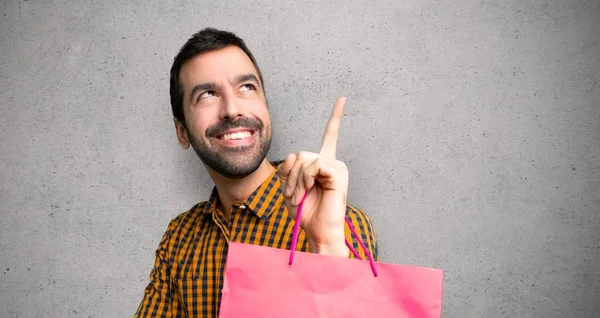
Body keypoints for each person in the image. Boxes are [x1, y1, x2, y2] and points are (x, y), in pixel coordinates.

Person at [134, 28, 378, 317]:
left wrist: (325, 246)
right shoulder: (179, 236)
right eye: (208, 94)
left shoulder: (341, 225)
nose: (232, 109)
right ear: (182, 132)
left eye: (247, 87)